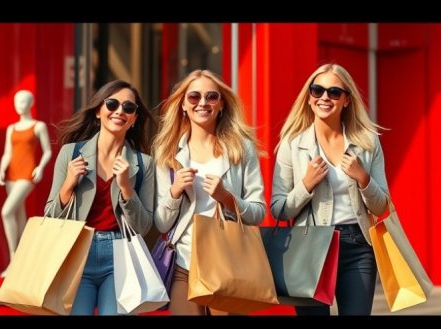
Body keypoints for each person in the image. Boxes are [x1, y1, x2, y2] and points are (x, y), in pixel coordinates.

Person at [270, 63, 390, 316]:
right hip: (308, 246)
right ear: (310, 97)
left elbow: (382, 206)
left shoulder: (367, 142)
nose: (325, 97)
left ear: (346, 100)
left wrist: (363, 178)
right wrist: (306, 184)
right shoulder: (292, 144)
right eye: (318, 90)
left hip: (357, 246)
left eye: (334, 92)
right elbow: (279, 210)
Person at [153, 69, 266, 315]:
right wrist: (174, 192)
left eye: (211, 96)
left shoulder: (241, 149)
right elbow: (161, 224)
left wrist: (226, 198)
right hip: (184, 263)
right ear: (183, 104)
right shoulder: (168, 153)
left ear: (222, 104)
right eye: (194, 97)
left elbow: (258, 213)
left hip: (229, 260)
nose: (202, 103)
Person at [44, 80, 156, 315]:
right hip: (76, 252)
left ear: (134, 118)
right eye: (112, 104)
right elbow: (50, 216)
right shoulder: (71, 153)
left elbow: (144, 226)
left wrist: (126, 186)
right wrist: (68, 185)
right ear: (98, 110)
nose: (119, 112)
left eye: (128, 108)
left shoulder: (144, 164)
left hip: (119, 255)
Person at [0, 90, 52, 277]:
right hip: (11, 174)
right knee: (19, 216)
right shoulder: (12, 128)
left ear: (31, 103)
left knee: (6, 211)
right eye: (17, 101)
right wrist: (1, 170)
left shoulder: (38, 126)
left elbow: (47, 151)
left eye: (23, 101)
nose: (19, 104)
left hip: (27, 173)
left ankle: (14, 259)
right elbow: (7, 153)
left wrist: (40, 167)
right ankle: (22, 260)